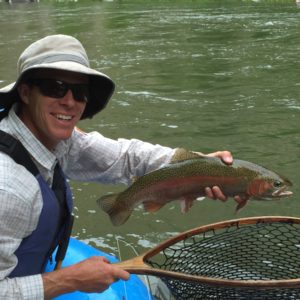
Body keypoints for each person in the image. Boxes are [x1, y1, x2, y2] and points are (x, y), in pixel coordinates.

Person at [0, 34, 242, 299]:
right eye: (55, 88)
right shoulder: (9, 188)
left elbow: (125, 158)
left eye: (80, 92)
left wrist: (198, 165)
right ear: (25, 92)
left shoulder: (51, 138)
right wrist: (69, 280)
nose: (69, 101)